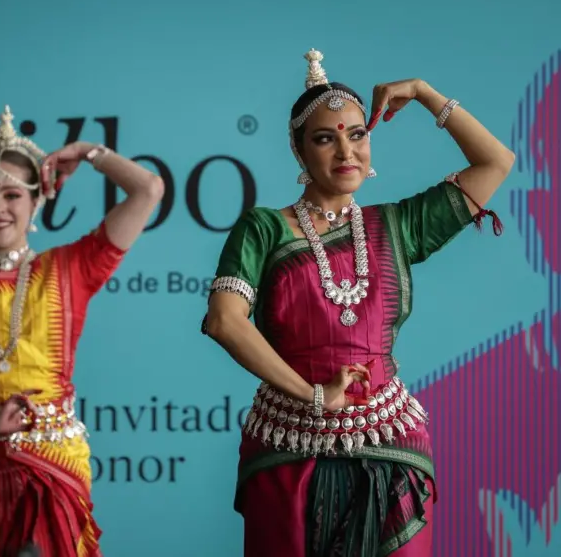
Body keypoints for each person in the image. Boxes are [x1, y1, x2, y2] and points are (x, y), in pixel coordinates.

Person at [202, 48, 514, 556]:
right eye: (325, 138)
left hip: (390, 447)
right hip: (290, 447)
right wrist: (314, 396)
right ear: (299, 152)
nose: (346, 152)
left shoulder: (396, 227)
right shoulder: (265, 228)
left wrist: (426, 93)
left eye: (357, 134)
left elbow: (495, 162)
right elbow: (223, 321)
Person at [0, 105, 164, 557]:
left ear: (35, 199)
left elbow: (148, 188)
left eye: (12, 195)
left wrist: (87, 153)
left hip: (49, 462)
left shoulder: (70, 267)